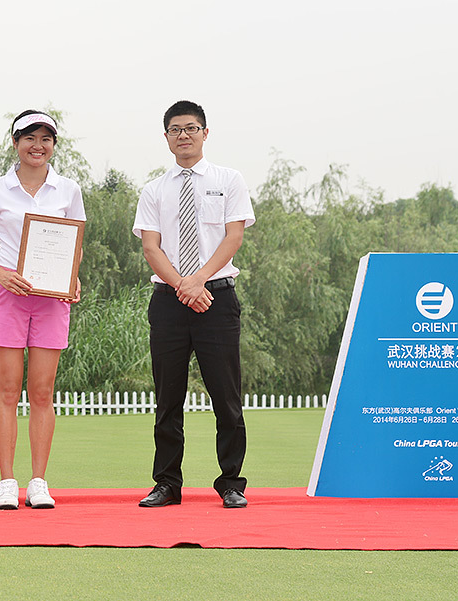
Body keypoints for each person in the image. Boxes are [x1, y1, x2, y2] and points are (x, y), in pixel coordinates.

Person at [132, 100, 256, 509]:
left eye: (191, 128)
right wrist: (183, 286)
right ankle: (167, 483)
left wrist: (198, 280)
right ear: (165, 137)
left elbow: (233, 237)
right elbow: (151, 247)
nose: (183, 135)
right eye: (175, 129)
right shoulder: (154, 189)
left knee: (227, 397)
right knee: (168, 399)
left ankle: (231, 483)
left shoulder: (228, 179)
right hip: (169, 301)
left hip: (216, 299)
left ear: (205, 133)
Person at [0, 110, 85, 510]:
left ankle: (38, 482)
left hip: (52, 299)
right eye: (29, 138)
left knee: (41, 391)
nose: (38, 146)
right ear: (15, 142)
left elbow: (76, 243)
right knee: (6, 389)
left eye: (46, 139)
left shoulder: (67, 190)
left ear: (54, 145)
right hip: (8, 295)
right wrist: (1, 275)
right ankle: (6, 482)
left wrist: (73, 277)